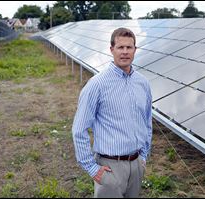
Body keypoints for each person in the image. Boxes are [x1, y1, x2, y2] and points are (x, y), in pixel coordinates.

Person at [72, 27, 152, 198]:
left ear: (135, 50)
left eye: (129, 47)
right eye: (120, 47)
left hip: (136, 164)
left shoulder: (143, 83)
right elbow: (79, 129)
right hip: (110, 167)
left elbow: (147, 121)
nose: (125, 52)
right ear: (111, 50)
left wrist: (143, 156)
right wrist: (92, 168)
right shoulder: (97, 84)